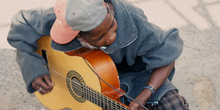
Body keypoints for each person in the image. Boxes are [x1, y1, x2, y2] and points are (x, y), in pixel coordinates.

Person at [7, 0, 189, 109]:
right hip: (89, 83)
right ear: (77, 35)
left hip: (134, 75)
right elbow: (20, 26)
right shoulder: (62, 18)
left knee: (173, 105)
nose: (112, 36)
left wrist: (144, 96)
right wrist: (32, 66)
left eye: (112, 25)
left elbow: (166, 56)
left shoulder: (132, 17)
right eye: (101, 37)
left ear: (108, 8)